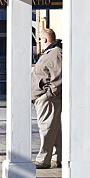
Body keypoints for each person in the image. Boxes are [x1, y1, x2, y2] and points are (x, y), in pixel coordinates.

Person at [32, 28, 63, 169]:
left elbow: (58, 76)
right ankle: (58, 158)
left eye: (39, 39)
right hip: (46, 98)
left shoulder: (54, 53)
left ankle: (43, 160)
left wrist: (48, 95)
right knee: (54, 129)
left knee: (47, 128)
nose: (39, 41)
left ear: (44, 40)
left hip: (48, 99)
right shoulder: (51, 53)